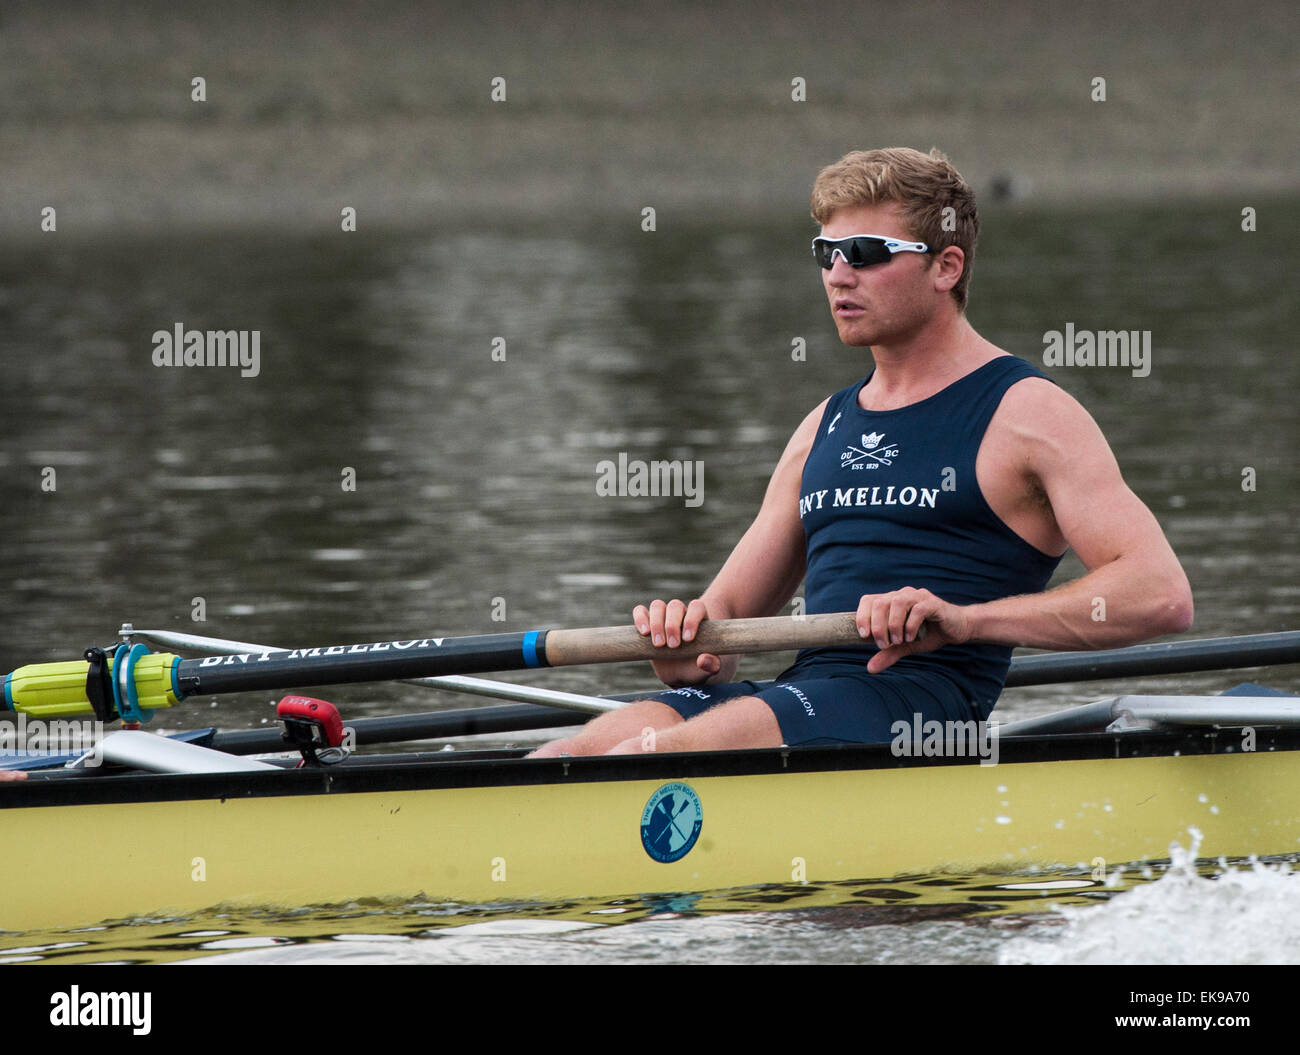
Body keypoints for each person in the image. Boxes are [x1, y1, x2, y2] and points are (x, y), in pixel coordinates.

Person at [530, 147, 1192, 757]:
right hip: (807, 697)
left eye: (867, 251)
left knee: (658, 757)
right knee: (571, 754)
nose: (838, 275)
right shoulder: (822, 425)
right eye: (826, 252)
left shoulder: (1028, 413)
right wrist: (686, 643)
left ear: (947, 266)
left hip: (920, 716)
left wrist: (965, 621)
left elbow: (1159, 594)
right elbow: (724, 623)